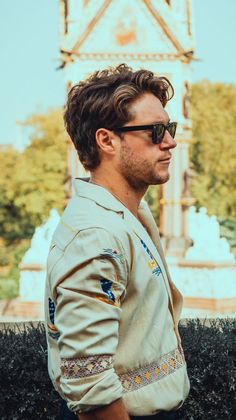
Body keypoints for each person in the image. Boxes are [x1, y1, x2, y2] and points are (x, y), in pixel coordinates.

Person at [45, 64, 190, 420]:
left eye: (169, 128)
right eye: (155, 131)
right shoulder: (96, 236)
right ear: (107, 140)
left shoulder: (126, 215)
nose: (170, 141)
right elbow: (91, 385)